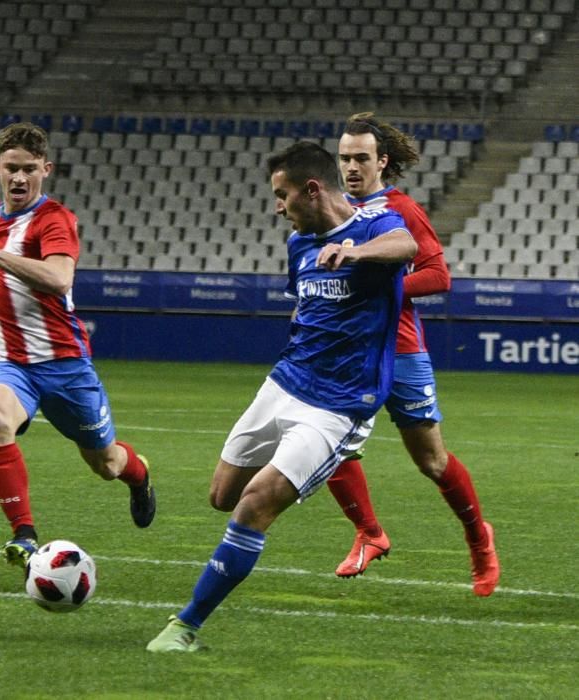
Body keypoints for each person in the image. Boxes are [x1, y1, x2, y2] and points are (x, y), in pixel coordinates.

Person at [146, 141, 417, 652]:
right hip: (284, 384)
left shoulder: (375, 227)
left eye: (282, 194)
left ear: (312, 190)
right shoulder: (299, 244)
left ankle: (185, 627)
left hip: (340, 404)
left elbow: (408, 247)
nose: (277, 206)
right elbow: (303, 305)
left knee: (252, 506)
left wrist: (355, 253)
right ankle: (289, 474)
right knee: (221, 495)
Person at [0, 122, 156, 566]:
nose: (19, 178)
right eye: (12, 168)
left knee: (107, 464)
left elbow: (59, 280)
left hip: (64, 363)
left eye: (30, 170)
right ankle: (24, 534)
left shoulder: (54, 220)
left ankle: (140, 477)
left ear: (46, 170)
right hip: (9, 360)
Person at [327, 112, 500, 595]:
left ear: (382, 161)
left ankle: (478, 538)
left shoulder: (400, 208)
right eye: (345, 159)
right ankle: (369, 533)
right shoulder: (334, 210)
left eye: (362, 158)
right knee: (325, 446)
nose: (352, 167)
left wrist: (382, 288)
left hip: (400, 349)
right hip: (348, 351)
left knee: (432, 462)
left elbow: (438, 276)